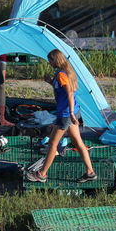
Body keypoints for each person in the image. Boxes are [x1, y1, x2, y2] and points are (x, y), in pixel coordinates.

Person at [26, 50, 97, 184]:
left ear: (56, 60)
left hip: (66, 114)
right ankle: (90, 172)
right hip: (74, 111)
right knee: (78, 143)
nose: (49, 63)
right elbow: (63, 89)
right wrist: (50, 81)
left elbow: (69, 93)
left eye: (51, 60)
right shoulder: (63, 72)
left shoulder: (62, 74)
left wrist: (70, 113)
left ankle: (42, 174)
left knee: (53, 143)